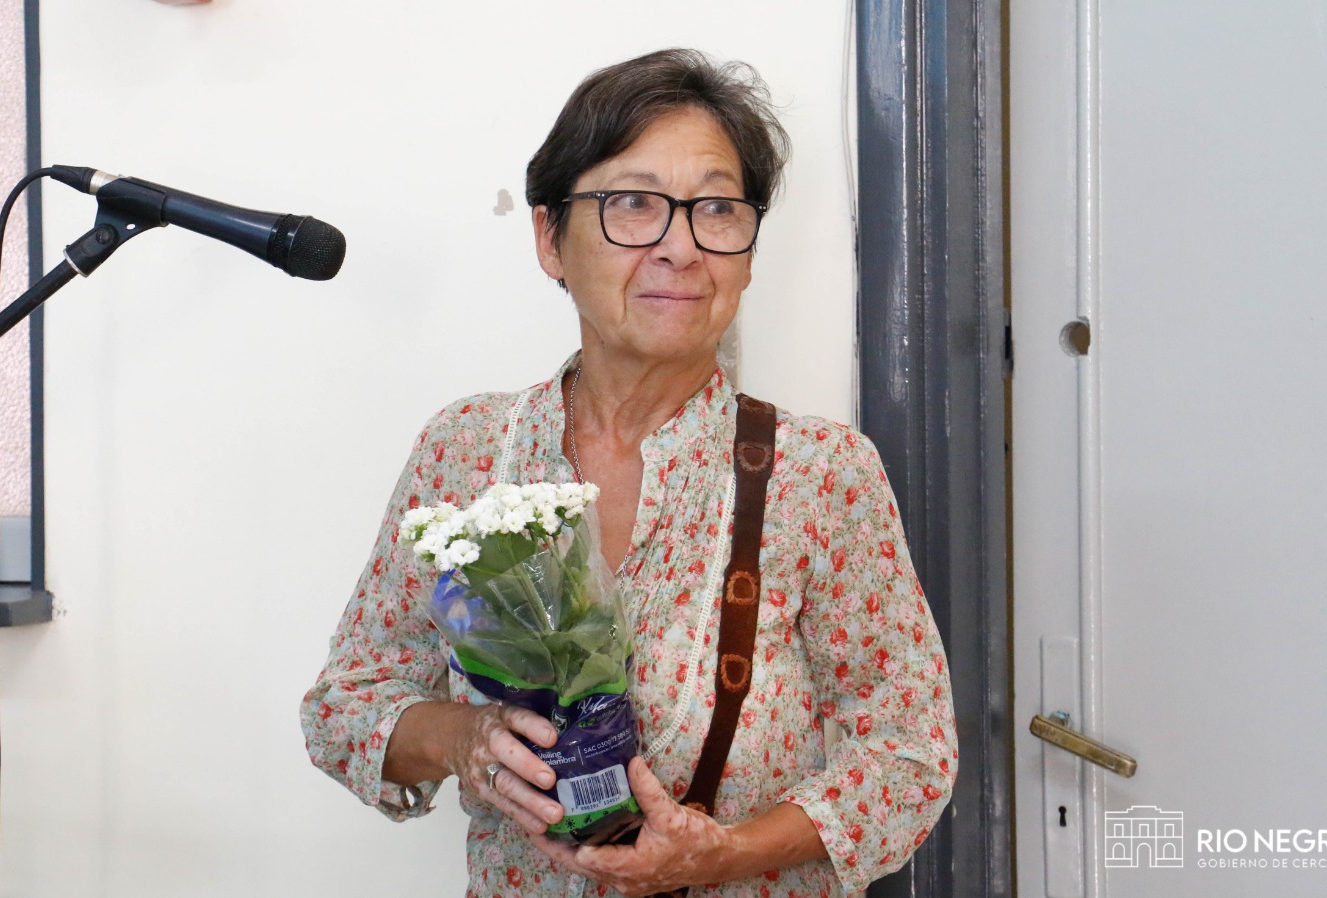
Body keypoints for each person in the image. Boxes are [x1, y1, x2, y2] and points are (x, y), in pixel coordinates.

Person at [301, 48, 957, 898]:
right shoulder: (468, 449)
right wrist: (465, 738)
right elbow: (346, 706)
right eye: (634, 203)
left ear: (748, 251)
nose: (680, 247)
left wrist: (724, 853)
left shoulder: (823, 475)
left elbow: (909, 753)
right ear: (550, 238)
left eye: (717, 209)